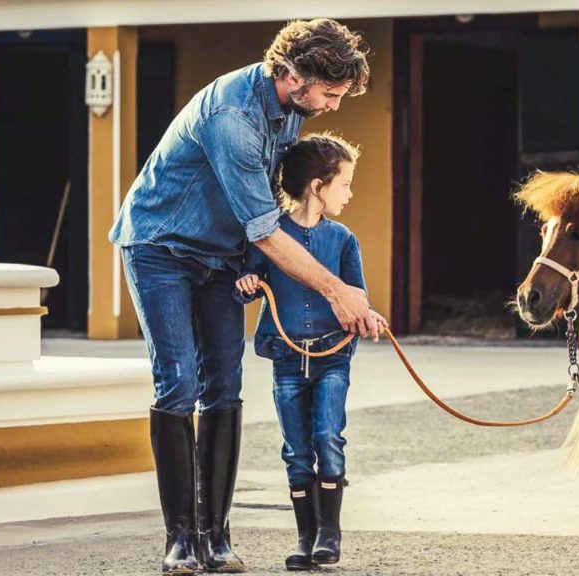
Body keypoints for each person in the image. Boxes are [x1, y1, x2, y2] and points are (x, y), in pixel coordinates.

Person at [108, 19, 375, 575]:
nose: (332, 106)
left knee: (223, 385)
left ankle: (217, 536)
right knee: (178, 382)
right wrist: (337, 290)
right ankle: (180, 540)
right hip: (163, 247)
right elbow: (264, 229)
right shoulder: (233, 116)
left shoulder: (293, 110)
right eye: (330, 93)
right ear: (292, 75)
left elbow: (274, 210)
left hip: (220, 256)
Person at [235, 133, 387, 571]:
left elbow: (356, 296)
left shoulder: (343, 239)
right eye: (345, 184)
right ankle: (305, 538)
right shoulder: (270, 235)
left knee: (327, 438)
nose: (351, 193)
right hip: (286, 358)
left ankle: (329, 534)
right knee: (296, 450)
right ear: (317, 187)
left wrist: (369, 316)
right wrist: (247, 284)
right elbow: (249, 279)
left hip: (332, 358)